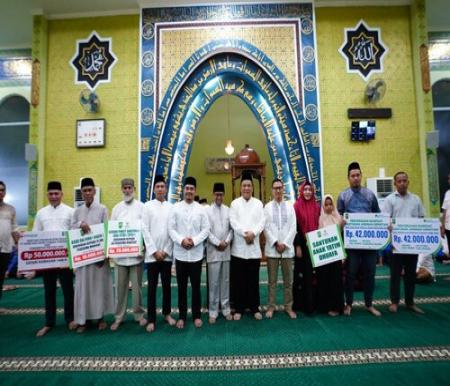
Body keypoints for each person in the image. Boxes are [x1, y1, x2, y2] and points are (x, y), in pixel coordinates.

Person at [337, 162, 382, 317]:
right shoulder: (343, 196)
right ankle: (348, 304)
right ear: (348, 178)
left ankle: (369, 304)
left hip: (369, 244)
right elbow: (338, 217)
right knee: (351, 274)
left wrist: (385, 226)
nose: (356, 178)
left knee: (370, 273)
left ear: (361, 176)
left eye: (358, 175)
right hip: (352, 244)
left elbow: (378, 216)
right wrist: (341, 223)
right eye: (352, 176)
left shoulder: (370, 195)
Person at [32, 181, 76, 336]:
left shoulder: (70, 212)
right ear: (47, 195)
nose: (54, 196)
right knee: (49, 291)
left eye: (57, 193)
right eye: (51, 194)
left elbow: (74, 236)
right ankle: (49, 322)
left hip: (65, 260)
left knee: (68, 290)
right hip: (48, 260)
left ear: (62, 194)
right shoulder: (41, 213)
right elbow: (35, 235)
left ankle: (70, 318)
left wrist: (72, 259)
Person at [71, 177, 114, 332]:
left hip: (98, 259)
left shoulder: (102, 209)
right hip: (83, 259)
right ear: (81, 193)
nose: (87, 193)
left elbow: (107, 231)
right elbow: (71, 229)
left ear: (94, 191)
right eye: (85, 191)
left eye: (90, 190)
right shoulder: (77, 211)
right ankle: (83, 321)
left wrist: (105, 254)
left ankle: (100, 318)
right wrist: (79, 224)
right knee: (83, 289)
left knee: (99, 288)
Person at [168, 176, 209, 329]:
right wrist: (182, 240)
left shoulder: (201, 209)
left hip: (196, 254)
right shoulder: (176, 208)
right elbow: (171, 229)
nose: (189, 191)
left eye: (192, 189)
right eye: (187, 188)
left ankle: (197, 316)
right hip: (180, 254)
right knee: (182, 287)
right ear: (183, 190)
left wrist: (194, 240)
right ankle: (182, 316)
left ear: (195, 190)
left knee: (196, 287)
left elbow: (206, 229)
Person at [383, 171, 425, 314]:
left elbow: (422, 219)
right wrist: (389, 226)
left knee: (410, 274)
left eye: (404, 180)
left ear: (408, 182)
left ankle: (410, 302)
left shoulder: (416, 199)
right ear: (395, 183)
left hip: (412, 243)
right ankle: (394, 302)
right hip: (396, 244)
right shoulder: (389, 200)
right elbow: (385, 220)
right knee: (395, 274)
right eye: (399, 181)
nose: (402, 183)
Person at [110, 178, 147, 331]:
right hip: (120, 258)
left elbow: (145, 230)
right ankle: (119, 317)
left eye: (129, 187)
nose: (127, 190)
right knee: (120, 289)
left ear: (134, 189)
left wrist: (142, 248)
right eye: (124, 188)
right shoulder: (116, 208)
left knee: (137, 289)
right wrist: (112, 251)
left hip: (136, 257)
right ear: (122, 189)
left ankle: (139, 315)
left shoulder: (142, 207)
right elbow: (112, 232)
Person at [229, 170, 265, 321]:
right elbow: (233, 222)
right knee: (239, 281)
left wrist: (253, 233)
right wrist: (245, 234)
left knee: (253, 280)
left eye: (249, 185)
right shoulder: (234, 203)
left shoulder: (258, 203)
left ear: (252, 187)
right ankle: (239, 308)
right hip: (239, 249)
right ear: (240, 187)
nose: (246, 188)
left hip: (254, 248)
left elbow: (262, 222)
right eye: (244, 185)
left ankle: (254, 307)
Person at [143, 175, 176, 333]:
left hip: (166, 255)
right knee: (152, 288)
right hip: (152, 256)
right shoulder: (147, 206)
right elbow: (145, 230)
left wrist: (166, 251)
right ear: (154, 189)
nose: (161, 189)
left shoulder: (171, 207)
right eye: (158, 186)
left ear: (166, 188)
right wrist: (154, 251)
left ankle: (167, 314)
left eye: (163, 186)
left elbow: (172, 231)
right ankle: (151, 319)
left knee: (167, 287)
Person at [263, 179, 297, 319]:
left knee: (288, 281)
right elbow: (265, 228)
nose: (278, 191)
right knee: (272, 281)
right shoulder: (267, 207)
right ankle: (271, 307)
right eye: (275, 188)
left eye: (280, 188)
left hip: (287, 250)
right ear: (272, 190)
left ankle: (288, 307)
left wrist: (285, 244)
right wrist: (276, 243)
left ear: (283, 190)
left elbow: (293, 227)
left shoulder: (290, 206)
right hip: (273, 250)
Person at [206, 182, 233, 324]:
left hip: (226, 251)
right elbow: (207, 231)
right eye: (217, 194)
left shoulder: (228, 210)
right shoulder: (207, 211)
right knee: (214, 283)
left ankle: (226, 309)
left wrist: (226, 242)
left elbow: (231, 230)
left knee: (225, 281)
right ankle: (213, 311)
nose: (219, 196)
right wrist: (218, 243)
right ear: (213, 195)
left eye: (221, 194)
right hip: (214, 251)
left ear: (223, 195)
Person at [293, 181, 320, 315]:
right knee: (301, 275)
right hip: (301, 245)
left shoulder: (316, 206)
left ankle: (311, 305)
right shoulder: (296, 206)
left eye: (310, 190)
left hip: (314, 244)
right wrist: (298, 245)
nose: (308, 192)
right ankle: (299, 304)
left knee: (312, 276)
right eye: (305, 190)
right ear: (301, 191)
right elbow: (295, 228)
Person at [316, 194, 345, 316]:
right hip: (324, 257)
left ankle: (336, 307)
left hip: (336, 256)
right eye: (326, 205)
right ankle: (325, 307)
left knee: (335, 282)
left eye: (330, 204)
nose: (328, 207)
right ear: (323, 206)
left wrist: (343, 255)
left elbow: (342, 238)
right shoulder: (320, 219)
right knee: (324, 281)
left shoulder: (339, 219)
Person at [0, 180, 19, 314]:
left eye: (2, 190)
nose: (0, 192)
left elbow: (14, 228)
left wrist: (19, 244)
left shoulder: (11, 209)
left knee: (1, 278)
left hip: (5, 249)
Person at [441, 172, 450, 257]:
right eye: (448, 179)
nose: (449, 180)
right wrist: (443, 227)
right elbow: (444, 211)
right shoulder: (447, 193)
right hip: (448, 227)